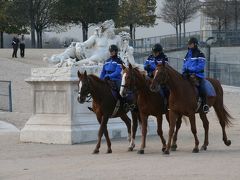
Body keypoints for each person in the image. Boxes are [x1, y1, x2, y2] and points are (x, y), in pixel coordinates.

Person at [182, 37, 209, 113]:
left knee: (202, 88)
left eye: (190, 44)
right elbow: (184, 65)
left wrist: (190, 70)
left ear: (195, 44)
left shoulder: (200, 54)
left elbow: (200, 66)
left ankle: (205, 105)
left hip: (198, 75)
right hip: (187, 74)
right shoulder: (187, 55)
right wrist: (184, 71)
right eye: (188, 44)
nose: (189, 45)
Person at [144, 43, 169, 111]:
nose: (154, 53)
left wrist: (151, 67)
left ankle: (166, 103)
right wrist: (146, 66)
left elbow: (163, 68)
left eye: (156, 52)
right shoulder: (150, 57)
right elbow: (145, 65)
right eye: (153, 52)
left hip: (159, 78)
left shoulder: (164, 57)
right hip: (149, 76)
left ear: (160, 52)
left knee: (164, 89)